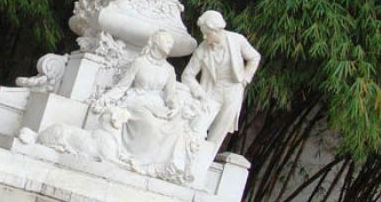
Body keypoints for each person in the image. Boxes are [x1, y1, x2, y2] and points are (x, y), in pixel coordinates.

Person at [94, 30, 185, 175]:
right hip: (136, 101)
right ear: (156, 42)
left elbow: (171, 95)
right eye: (167, 42)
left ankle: (157, 166)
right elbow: (123, 86)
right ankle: (139, 161)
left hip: (158, 106)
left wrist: (175, 105)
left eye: (171, 43)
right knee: (152, 125)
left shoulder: (169, 70)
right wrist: (105, 99)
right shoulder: (140, 62)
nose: (170, 45)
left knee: (176, 129)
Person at [182, 10, 260, 159]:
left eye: (207, 33)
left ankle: (202, 164)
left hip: (233, 90)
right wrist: (198, 91)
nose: (204, 37)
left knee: (218, 134)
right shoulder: (203, 48)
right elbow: (188, 75)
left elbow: (254, 57)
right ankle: (186, 160)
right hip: (211, 92)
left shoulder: (237, 40)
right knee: (197, 126)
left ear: (217, 30)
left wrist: (245, 78)